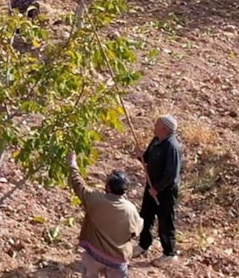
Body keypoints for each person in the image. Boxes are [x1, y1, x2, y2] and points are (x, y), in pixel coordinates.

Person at [67, 152, 143, 278]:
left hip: (94, 255)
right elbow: (136, 232)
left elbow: (78, 184)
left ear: (107, 187)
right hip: (118, 260)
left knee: (88, 265)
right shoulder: (131, 209)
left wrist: (72, 163)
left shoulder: (95, 199)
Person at [133, 114, 183, 267]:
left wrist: (158, 189)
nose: (154, 126)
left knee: (165, 222)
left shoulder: (172, 147)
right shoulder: (156, 140)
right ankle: (143, 244)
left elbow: (171, 175)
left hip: (165, 191)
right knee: (145, 216)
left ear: (164, 129)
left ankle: (169, 253)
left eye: (157, 124)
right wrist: (141, 156)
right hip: (151, 185)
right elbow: (147, 157)